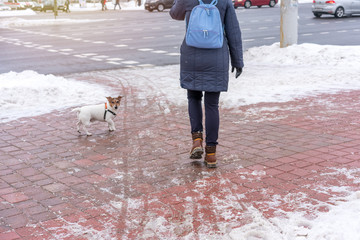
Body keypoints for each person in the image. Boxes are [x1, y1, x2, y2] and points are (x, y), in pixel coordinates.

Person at [170, 0, 244, 168]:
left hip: (192, 57)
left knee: (193, 97)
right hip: (216, 57)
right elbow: (233, 31)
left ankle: (197, 140)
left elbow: (175, 14)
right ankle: (211, 153)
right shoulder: (225, 1)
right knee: (212, 105)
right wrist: (237, 60)